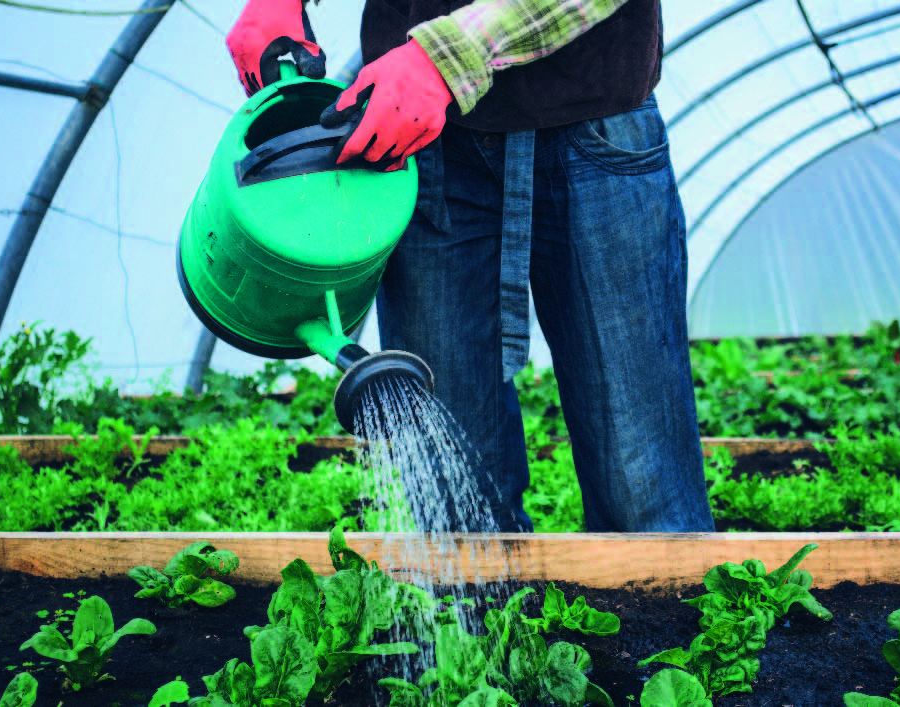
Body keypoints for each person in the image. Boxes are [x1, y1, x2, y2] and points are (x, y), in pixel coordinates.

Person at [226, 0, 715, 534]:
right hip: (417, 138)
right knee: (454, 515)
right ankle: (479, 616)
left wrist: (444, 59)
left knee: (646, 502)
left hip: (591, 113)